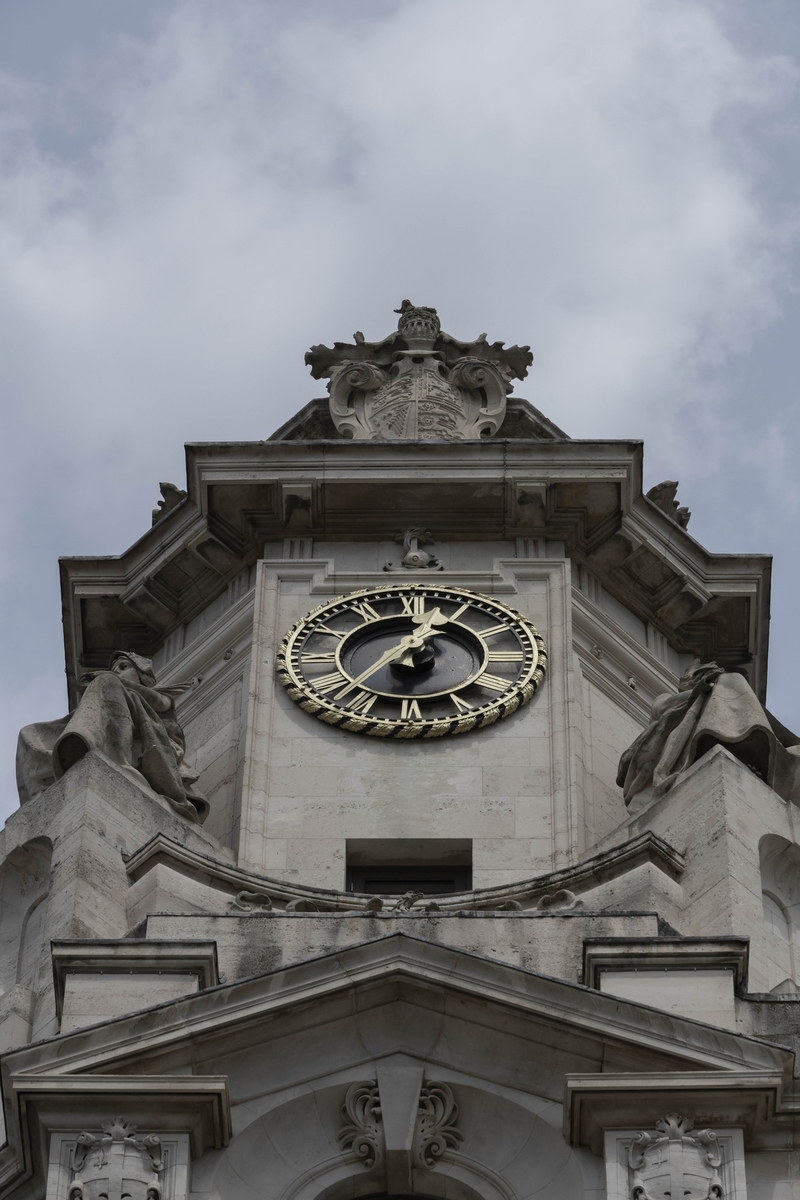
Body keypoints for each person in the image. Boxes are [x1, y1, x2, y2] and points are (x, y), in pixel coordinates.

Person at [16, 651, 209, 824]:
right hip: (107, 722)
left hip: (155, 746)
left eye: (124, 667)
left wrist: (109, 679)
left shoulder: (161, 698)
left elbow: (159, 703)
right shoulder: (109, 688)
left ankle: (116, 760)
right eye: (115, 668)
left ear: (144, 677)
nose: (117, 671)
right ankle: (48, 782)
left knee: (108, 683)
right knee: (30, 733)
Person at [617, 660, 800, 810]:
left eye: (712, 673)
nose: (712, 676)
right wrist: (699, 691)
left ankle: (743, 744)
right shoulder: (667, 697)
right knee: (729, 682)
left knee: (730, 682)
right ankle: (735, 742)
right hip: (681, 734)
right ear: (689, 681)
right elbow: (662, 709)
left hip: (708, 721)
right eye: (702, 674)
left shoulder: (723, 688)